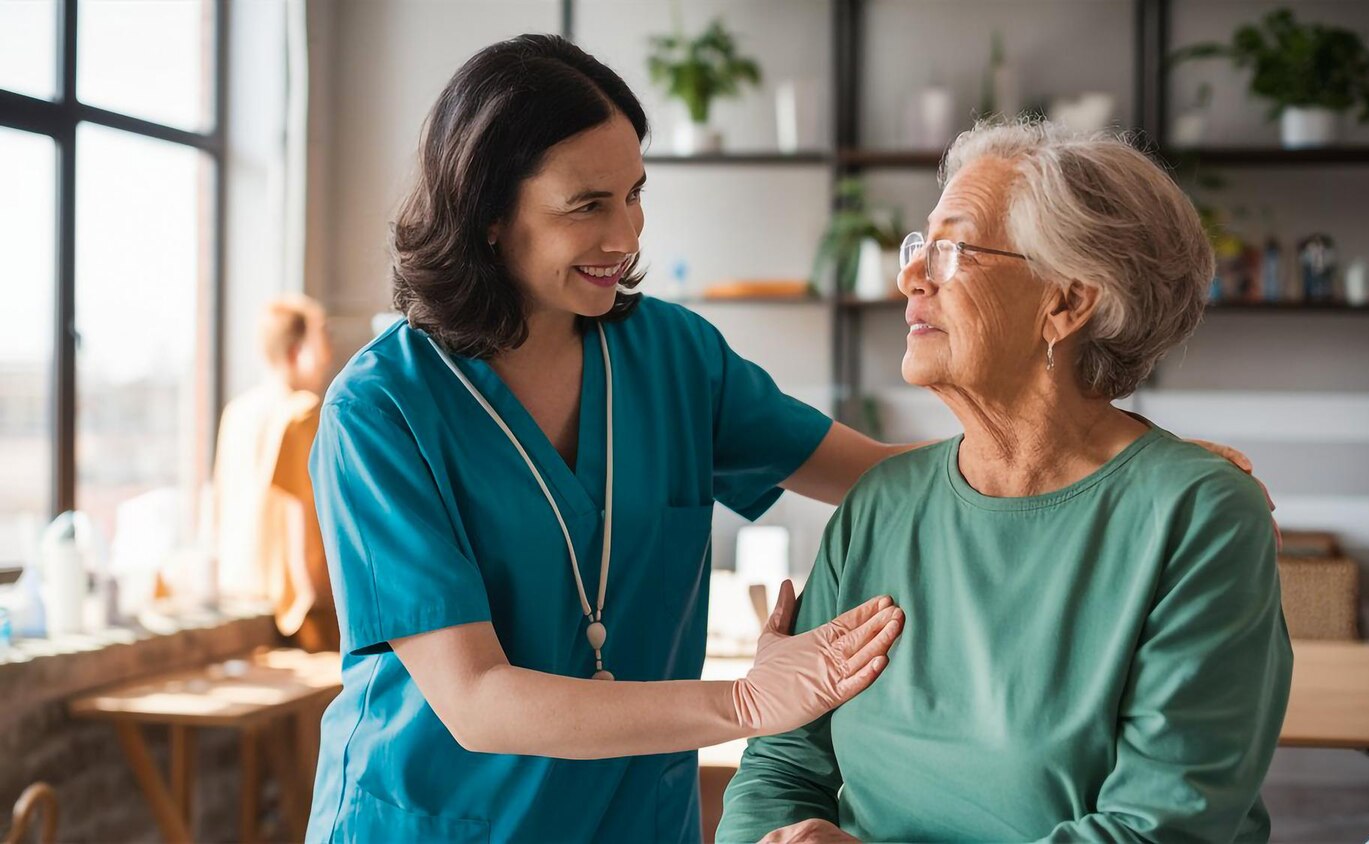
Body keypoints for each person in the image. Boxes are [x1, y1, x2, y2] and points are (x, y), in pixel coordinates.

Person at [307, 37, 1265, 843]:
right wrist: (747, 705)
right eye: (586, 206)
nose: (626, 233)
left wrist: (1130, 478)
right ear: (486, 218)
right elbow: (476, 702)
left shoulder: (670, 358)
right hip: (437, 817)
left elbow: (918, 481)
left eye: (635, 193)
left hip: (631, 811)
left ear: (1068, 300)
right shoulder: (383, 411)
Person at [717, 120, 1293, 844]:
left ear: (1067, 301)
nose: (911, 275)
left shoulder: (1198, 518)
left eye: (951, 249)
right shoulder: (879, 507)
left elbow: (1159, 830)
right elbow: (783, 766)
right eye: (918, 246)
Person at [212, 293, 337, 651]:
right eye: (323, 337)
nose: (330, 352)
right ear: (297, 351)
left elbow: (220, 503)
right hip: (296, 609)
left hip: (241, 591)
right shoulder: (302, 413)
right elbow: (305, 517)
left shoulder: (238, 412)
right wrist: (322, 605)